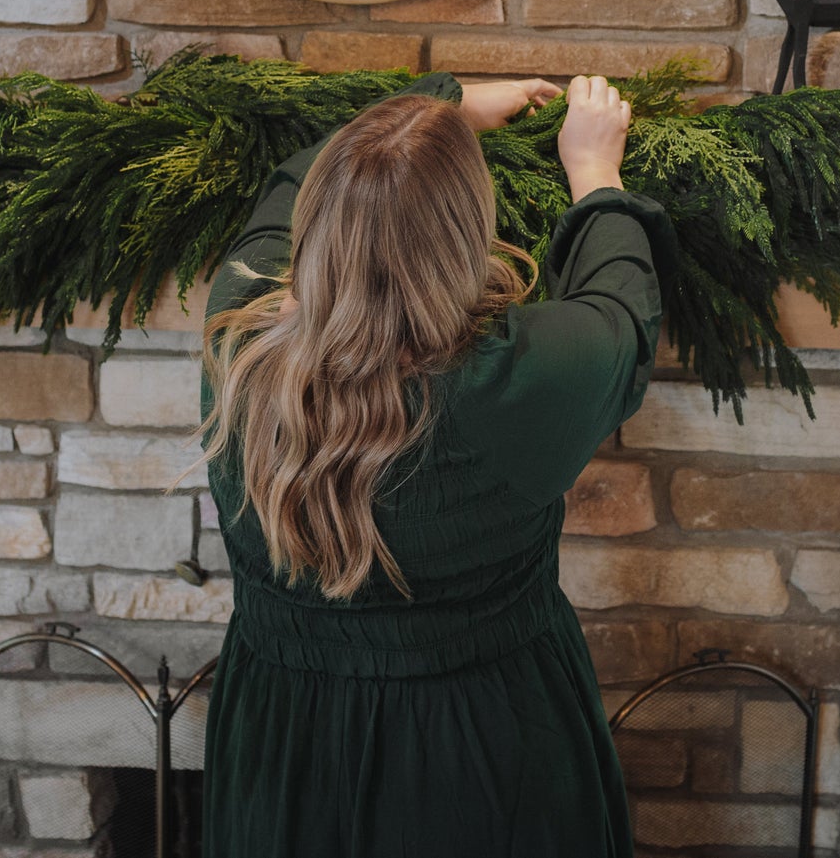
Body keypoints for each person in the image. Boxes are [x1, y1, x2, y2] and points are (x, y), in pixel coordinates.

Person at [197, 70, 670, 858]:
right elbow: (621, 311)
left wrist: (433, 108)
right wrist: (594, 172)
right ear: (461, 243)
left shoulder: (236, 337)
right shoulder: (514, 380)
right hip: (486, 747)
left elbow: (291, 181)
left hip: (285, 745)